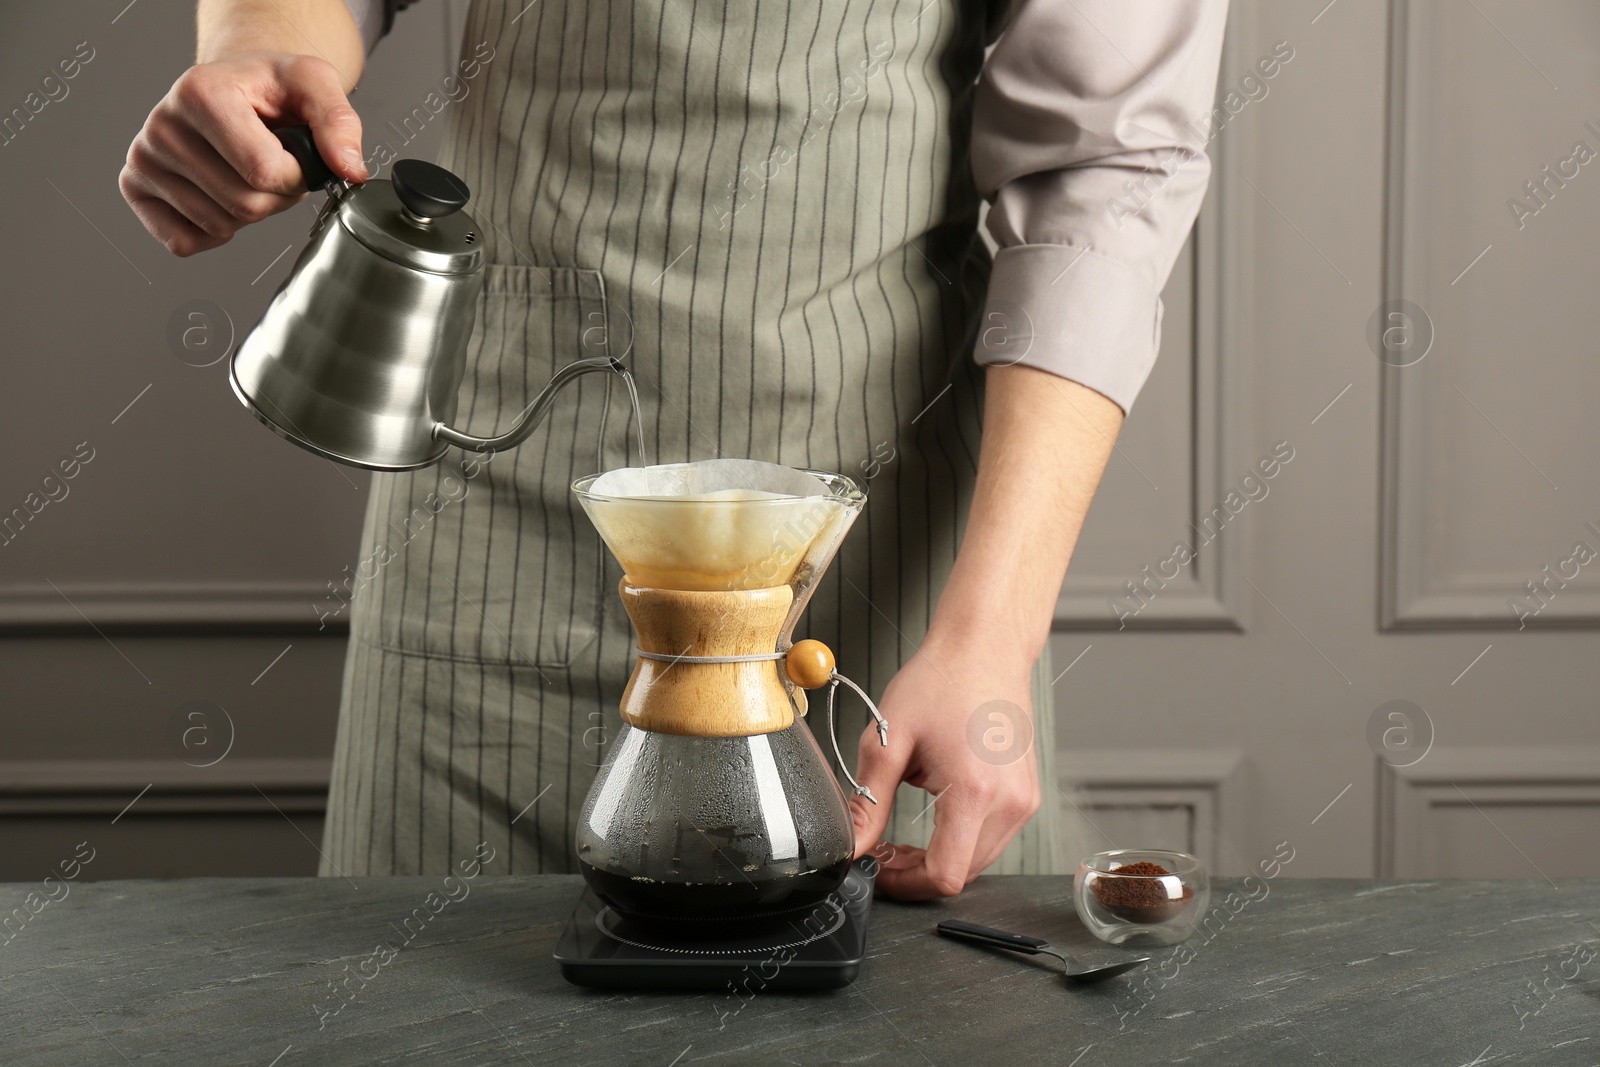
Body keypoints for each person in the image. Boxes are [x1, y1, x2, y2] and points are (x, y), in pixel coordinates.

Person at [121, 0, 1227, 898]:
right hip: (495, 533)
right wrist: (255, 46)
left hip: (864, 556)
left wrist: (989, 635)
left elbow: (1105, 173)